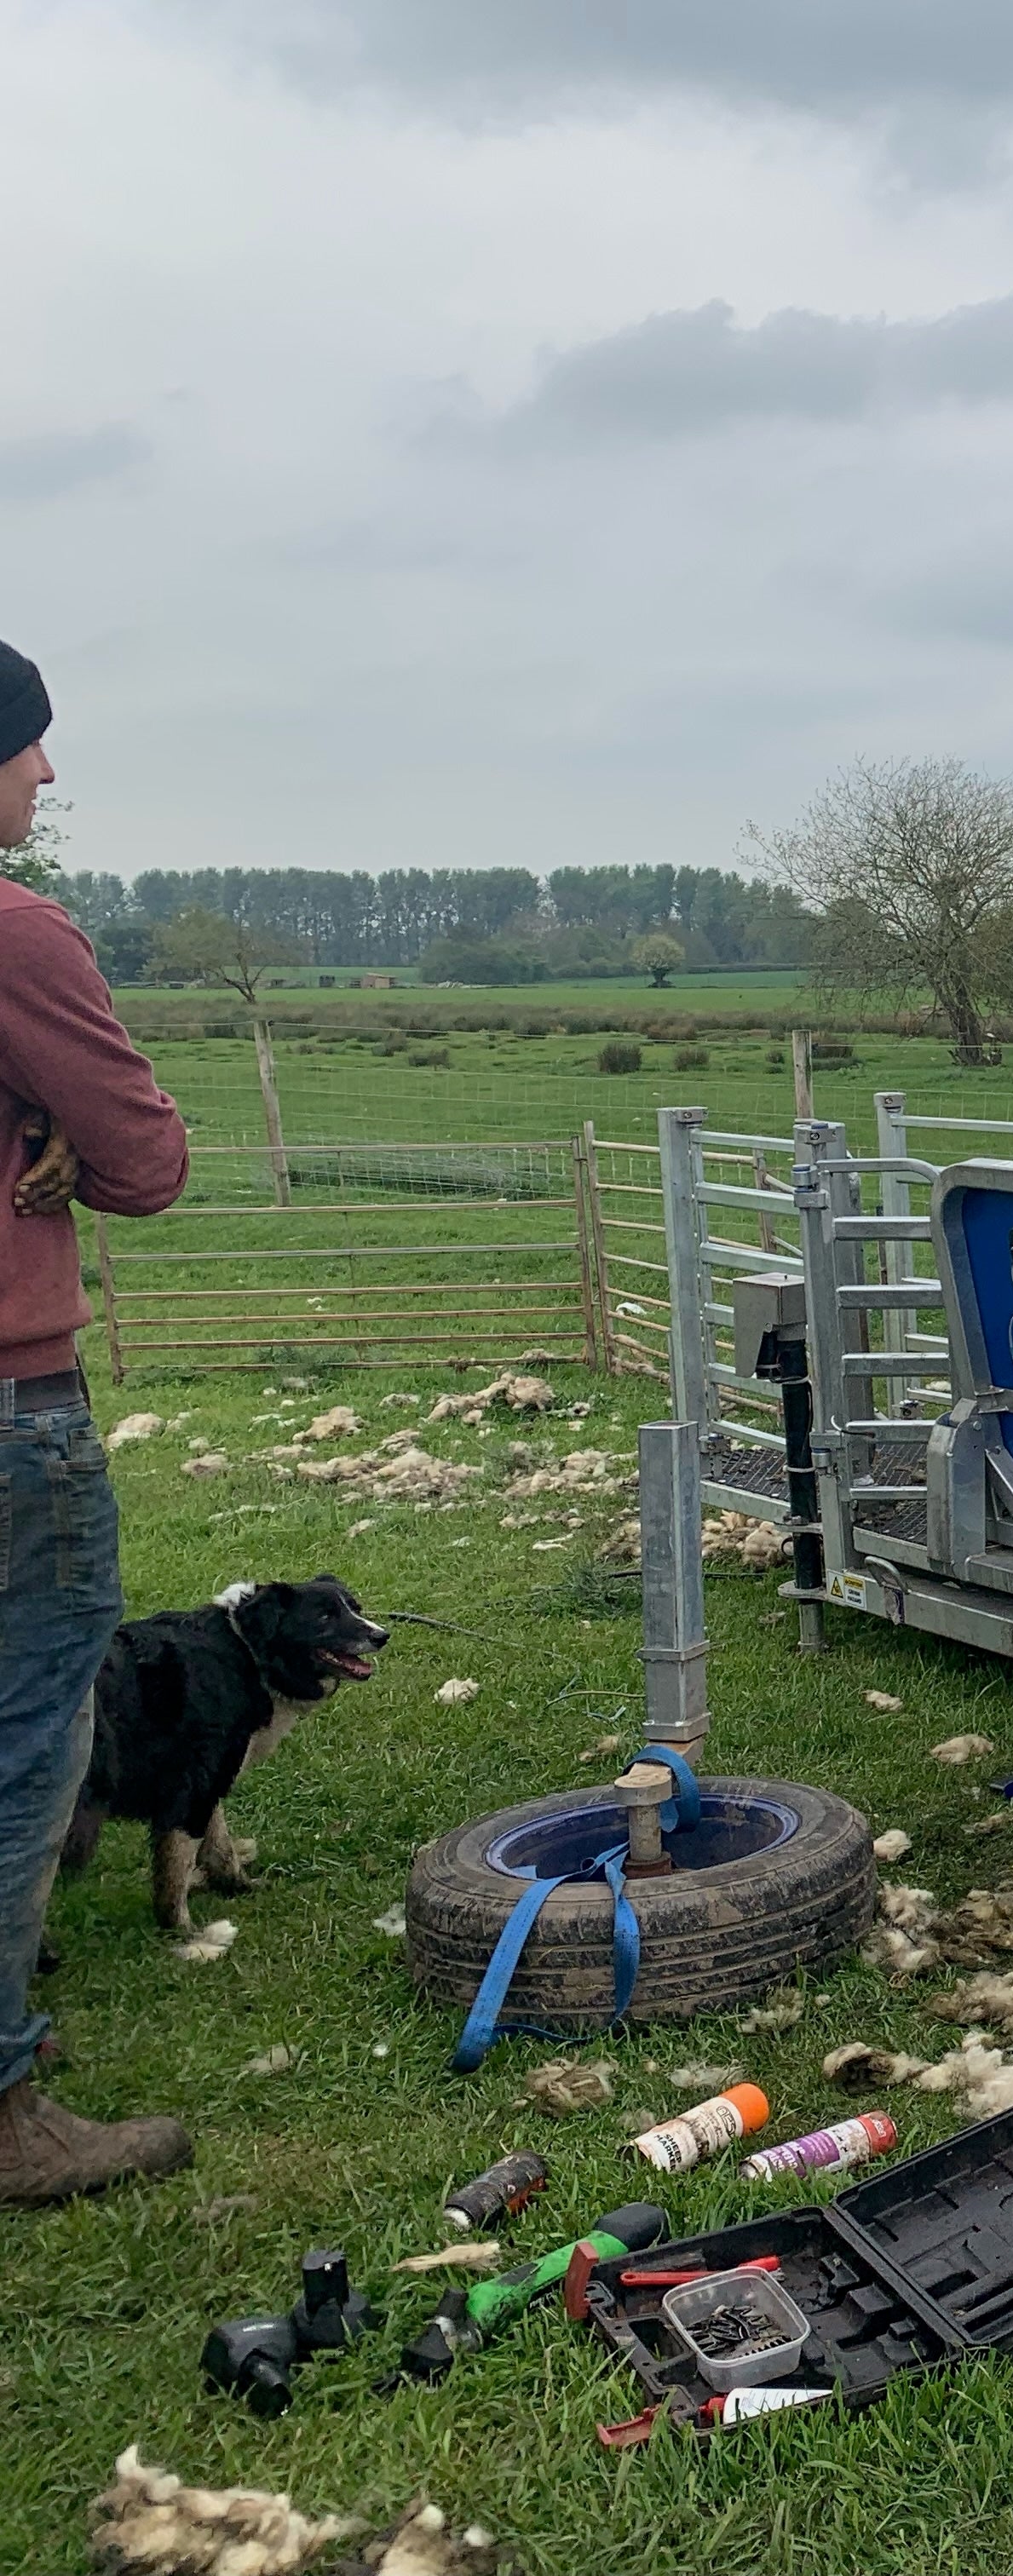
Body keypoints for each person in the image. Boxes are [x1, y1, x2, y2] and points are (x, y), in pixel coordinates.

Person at [0, 635, 196, 2203]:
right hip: (9, 1404)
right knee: (23, 1728)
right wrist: (67, 1115)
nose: (46, 775)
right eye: (28, 746)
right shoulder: (16, 933)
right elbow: (144, 1162)